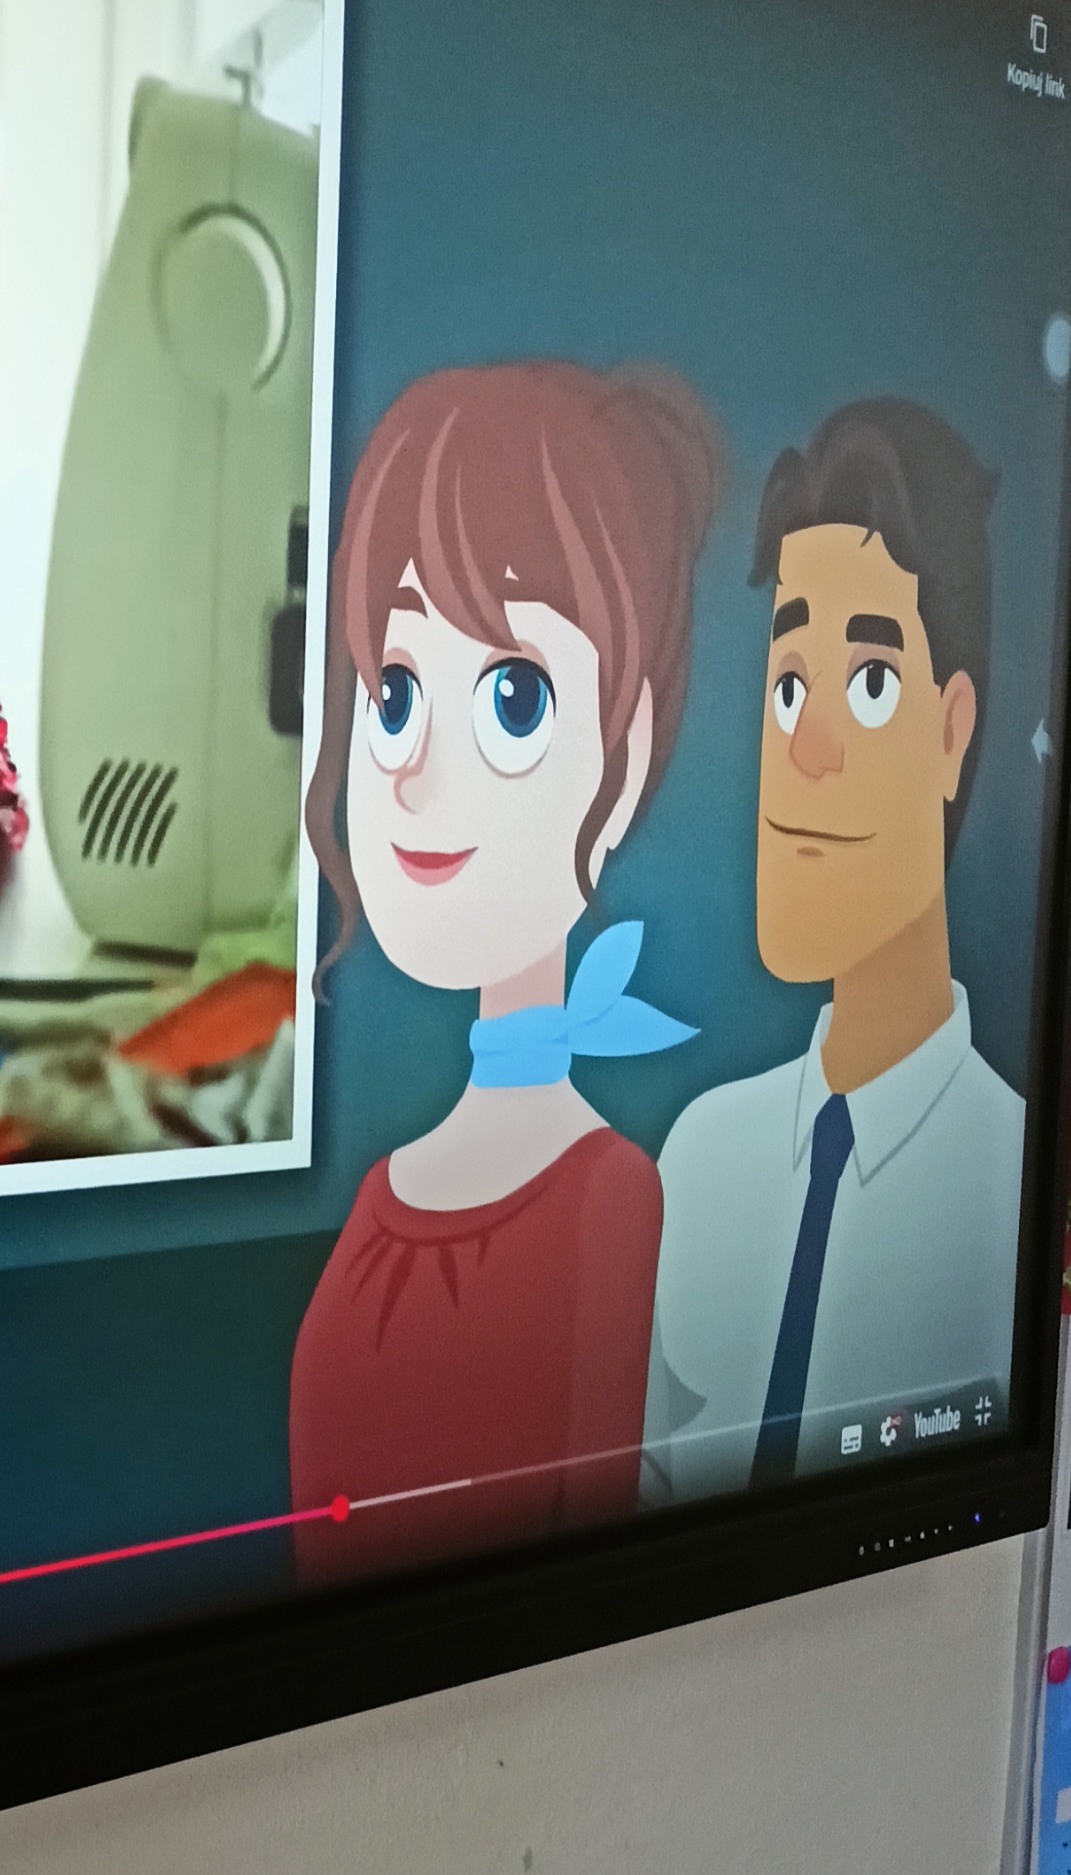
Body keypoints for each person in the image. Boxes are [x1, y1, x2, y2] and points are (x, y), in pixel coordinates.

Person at [290, 361, 720, 1584]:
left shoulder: (606, 1199)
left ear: (624, 759)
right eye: (394, 692)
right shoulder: (383, 1191)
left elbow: (577, 1598)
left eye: (514, 698)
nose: (418, 774)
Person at [641, 399, 1025, 1505]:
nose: (804, 748)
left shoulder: (1015, 1176)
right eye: (788, 685)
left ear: (951, 730)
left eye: (869, 683)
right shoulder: (698, 1158)